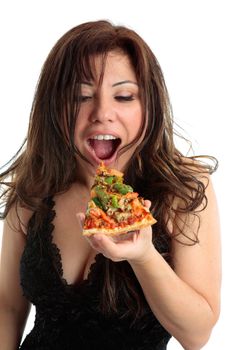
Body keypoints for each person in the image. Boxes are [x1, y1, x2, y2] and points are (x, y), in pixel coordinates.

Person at [0, 20, 221, 350]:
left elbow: (197, 334)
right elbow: (8, 307)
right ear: (55, 107)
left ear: (149, 105)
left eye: (124, 95)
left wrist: (144, 255)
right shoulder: (34, 187)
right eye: (81, 96)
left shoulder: (183, 189)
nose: (102, 112)